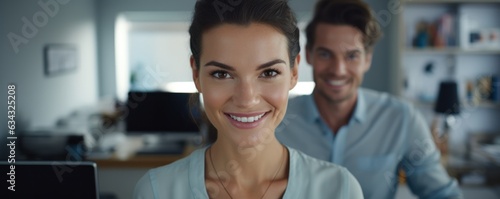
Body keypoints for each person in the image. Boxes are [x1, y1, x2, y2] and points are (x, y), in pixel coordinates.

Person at [133, 0, 363, 198]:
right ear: (196, 75)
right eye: (221, 74)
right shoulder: (156, 191)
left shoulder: (340, 190)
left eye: (268, 73)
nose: (246, 99)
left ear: (294, 73)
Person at [276, 0, 463, 199]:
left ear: (367, 59)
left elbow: (443, 195)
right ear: (308, 55)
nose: (338, 70)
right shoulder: (277, 122)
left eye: (352, 56)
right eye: (325, 54)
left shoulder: (402, 118)